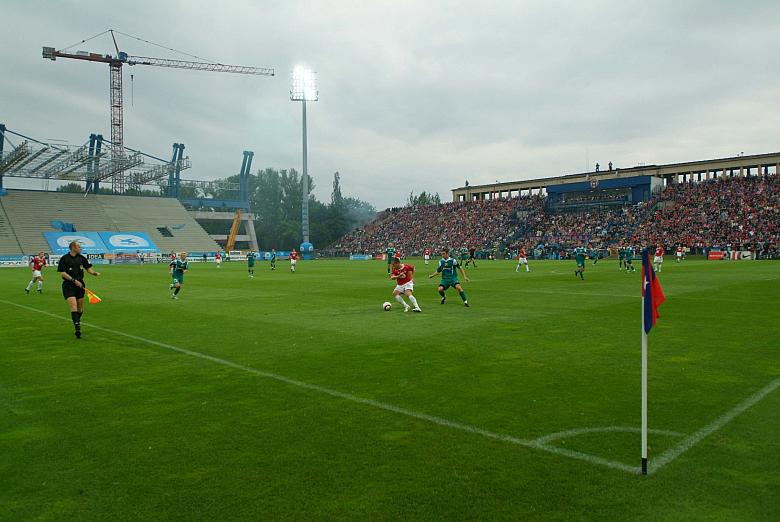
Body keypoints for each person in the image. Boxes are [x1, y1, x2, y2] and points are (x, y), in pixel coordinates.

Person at [57, 241, 101, 338]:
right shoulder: (64, 258)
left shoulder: (81, 258)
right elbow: (62, 273)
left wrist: (94, 273)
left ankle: (76, 320)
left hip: (80, 285)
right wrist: (73, 280)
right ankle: (77, 328)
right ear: (73, 247)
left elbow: (88, 268)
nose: (80, 248)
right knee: (73, 306)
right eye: (79, 247)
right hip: (68, 285)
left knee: (80, 309)